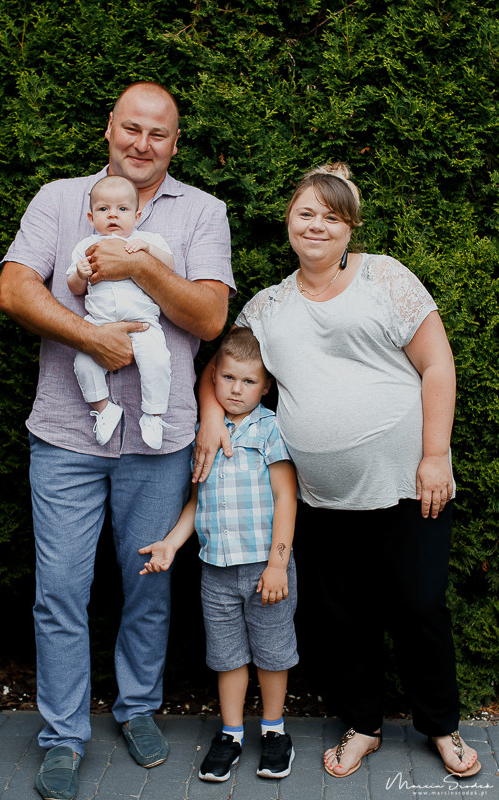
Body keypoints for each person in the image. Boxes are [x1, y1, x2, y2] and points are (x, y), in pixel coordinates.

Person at [193, 163, 481, 780]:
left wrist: (435, 454)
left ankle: (442, 726)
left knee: (420, 607)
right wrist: (211, 416)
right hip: (322, 497)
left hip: (408, 484)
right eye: (306, 213)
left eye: (331, 216)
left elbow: (438, 363)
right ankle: (363, 725)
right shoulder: (268, 307)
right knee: (345, 619)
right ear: (288, 221)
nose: (316, 225)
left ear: (350, 227)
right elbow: (222, 369)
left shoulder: (386, 278)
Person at [0, 81, 234, 800]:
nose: (142, 143)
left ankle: (136, 709)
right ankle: (63, 737)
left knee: (147, 587)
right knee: (60, 592)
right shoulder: (59, 199)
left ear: (174, 144)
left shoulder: (201, 212)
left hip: (160, 444)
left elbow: (210, 317)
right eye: (131, 128)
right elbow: (14, 290)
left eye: (158, 134)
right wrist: (89, 337)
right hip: (67, 433)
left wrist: (140, 267)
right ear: (109, 128)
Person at [140, 327, 298, 782]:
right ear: (214, 378)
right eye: (228, 377)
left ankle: (274, 731)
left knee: (272, 654)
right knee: (227, 657)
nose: (236, 389)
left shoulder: (270, 430)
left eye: (249, 381)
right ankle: (231, 734)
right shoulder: (203, 432)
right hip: (216, 572)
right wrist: (171, 543)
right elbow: (198, 502)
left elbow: (286, 498)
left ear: (265, 386)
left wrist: (278, 564)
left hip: (266, 570)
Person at [67, 174, 174, 449]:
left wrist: (148, 250)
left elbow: (170, 266)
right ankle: (104, 408)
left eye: (122, 209)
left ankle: (153, 415)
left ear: (137, 216)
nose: (113, 215)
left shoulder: (146, 239)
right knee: (83, 363)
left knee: (157, 360)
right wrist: (80, 273)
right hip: (98, 323)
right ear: (91, 218)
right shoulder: (85, 247)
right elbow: (75, 288)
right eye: (104, 209)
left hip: (143, 322)